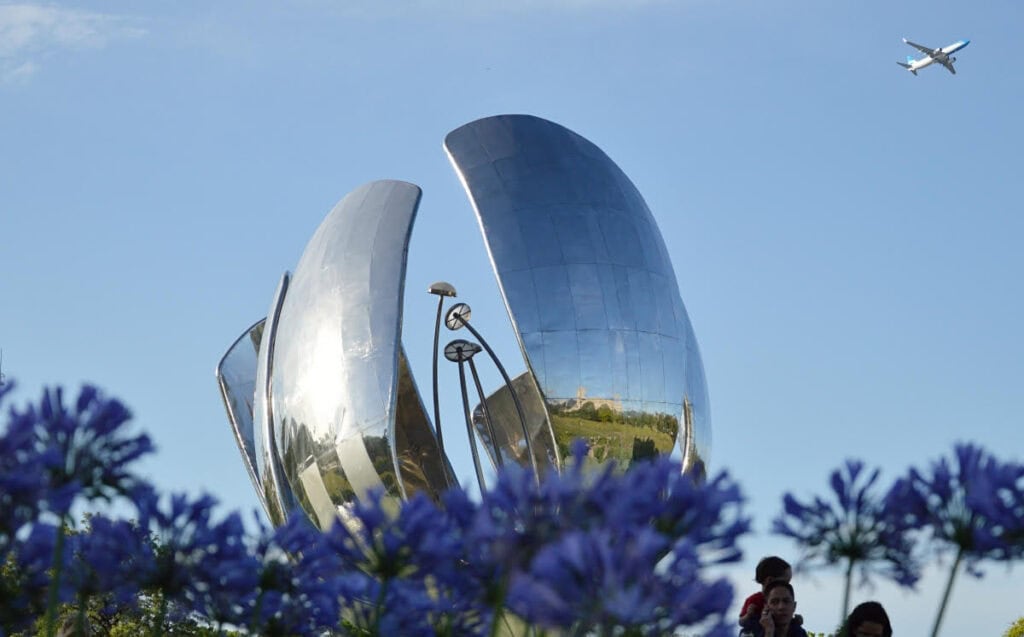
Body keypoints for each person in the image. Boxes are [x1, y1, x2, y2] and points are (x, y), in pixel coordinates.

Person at [739, 556, 802, 631]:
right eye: (785, 582)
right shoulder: (754, 600)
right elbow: (741, 622)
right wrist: (748, 615)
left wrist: (794, 621)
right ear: (769, 580)